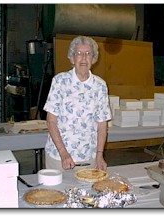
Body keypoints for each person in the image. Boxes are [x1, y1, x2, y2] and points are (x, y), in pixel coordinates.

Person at [43, 35, 112, 171]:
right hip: (59, 157)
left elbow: (102, 124)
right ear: (72, 58)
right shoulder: (60, 81)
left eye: (88, 54)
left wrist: (99, 154)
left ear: (94, 58)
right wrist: (64, 153)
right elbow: (51, 121)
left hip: (89, 158)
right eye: (79, 53)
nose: (84, 58)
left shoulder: (100, 85)